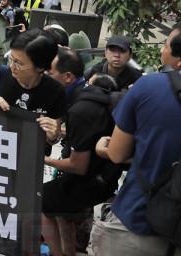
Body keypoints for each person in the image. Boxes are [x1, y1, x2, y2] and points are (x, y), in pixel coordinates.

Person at [0, 29, 65, 256]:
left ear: (41, 67)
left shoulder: (56, 92)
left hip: (27, 166)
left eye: (20, 63)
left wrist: (55, 132)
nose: (13, 66)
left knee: (18, 219)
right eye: (11, 59)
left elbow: (55, 132)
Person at [90, 24, 181, 256]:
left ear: (178, 60)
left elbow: (117, 153)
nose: (162, 49)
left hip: (138, 221)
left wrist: (103, 148)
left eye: (166, 44)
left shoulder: (149, 85)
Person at [42, 49, 122, 256]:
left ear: (67, 77)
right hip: (102, 174)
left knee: (39, 200)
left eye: (50, 74)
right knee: (60, 209)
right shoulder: (88, 94)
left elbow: (78, 166)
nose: (45, 78)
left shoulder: (81, 110)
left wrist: (44, 159)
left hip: (94, 181)